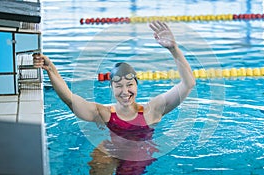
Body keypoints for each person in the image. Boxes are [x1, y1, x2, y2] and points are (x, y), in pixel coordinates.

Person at [33, 21, 195, 175]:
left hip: (137, 156)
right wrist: (50, 69)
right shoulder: (104, 112)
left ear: (137, 85)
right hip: (112, 151)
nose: (125, 91)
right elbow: (70, 99)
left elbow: (188, 84)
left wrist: (174, 49)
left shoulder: (152, 110)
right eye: (118, 86)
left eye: (129, 85)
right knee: (99, 159)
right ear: (112, 88)